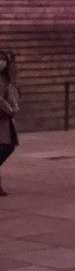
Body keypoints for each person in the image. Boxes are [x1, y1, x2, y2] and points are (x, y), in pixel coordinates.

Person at [0, 52, 20, 196]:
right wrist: (9, 109)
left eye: (3, 59)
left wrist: (14, 107)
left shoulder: (6, 78)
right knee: (6, 146)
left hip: (7, 118)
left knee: (10, 145)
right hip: (2, 116)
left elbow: (11, 94)